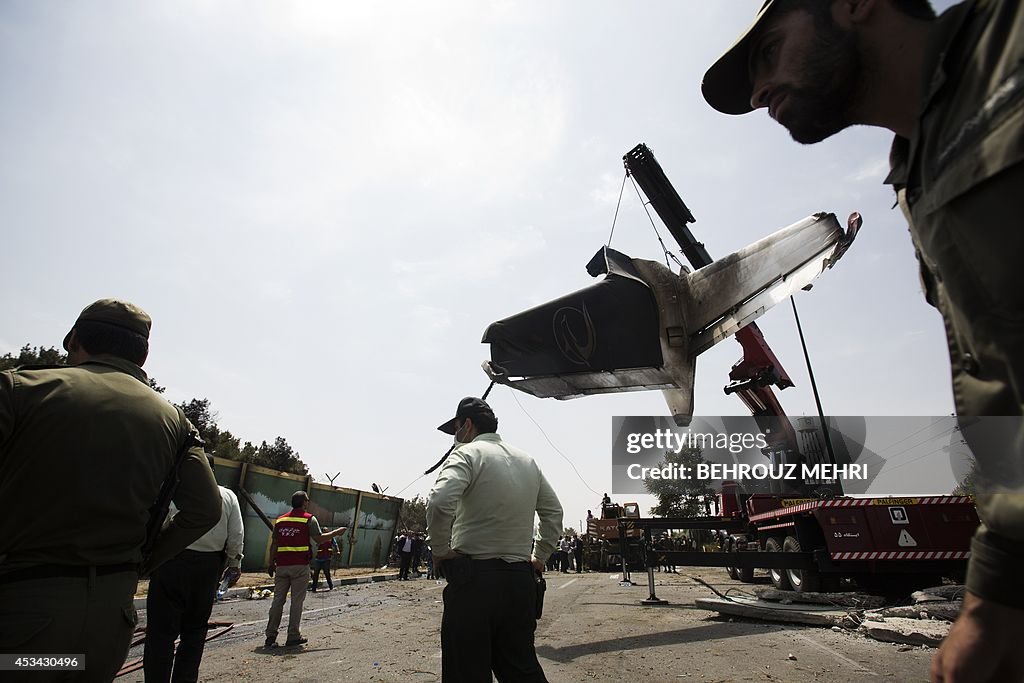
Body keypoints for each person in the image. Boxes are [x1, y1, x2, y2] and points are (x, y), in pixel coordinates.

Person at [701, 2, 1024, 681]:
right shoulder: (915, 175)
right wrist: (994, 597)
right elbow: (1000, 385)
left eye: (768, 54)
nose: (760, 92)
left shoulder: (1009, 39)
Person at [0, 298, 222, 682]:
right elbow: (205, 508)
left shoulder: (22, 389)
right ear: (143, 355)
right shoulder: (175, 421)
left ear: (73, 340)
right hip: (109, 624)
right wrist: (140, 561)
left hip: (23, 617)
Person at [427, 396, 563, 683]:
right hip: (519, 584)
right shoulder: (528, 461)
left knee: (466, 673)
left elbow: (439, 503)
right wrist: (539, 557)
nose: (455, 437)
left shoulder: (466, 454)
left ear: (467, 425)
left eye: (456, 430)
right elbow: (553, 513)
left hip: (473, 584)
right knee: (521, 671)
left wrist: (439, 551)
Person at [144, 457, 244, 682]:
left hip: (171, 563)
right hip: (207, 569)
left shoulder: (174, 492)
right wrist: (234, 564)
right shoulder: (228, 496)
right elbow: (236, 535)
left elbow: (159, 525)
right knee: (195, 632)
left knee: (161, 633)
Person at [264, 491, 346, 648]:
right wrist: (337, 533)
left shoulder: (280, 520)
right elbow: (320, 539)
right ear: (304, 503)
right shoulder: (309, 519)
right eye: (307, 501)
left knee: (277, 601)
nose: (308, 503)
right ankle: (293, 636)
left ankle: (270, 636)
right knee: (297, 602)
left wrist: (270, 563)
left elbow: (274, 544)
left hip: (281, 566)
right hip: (300, 567)